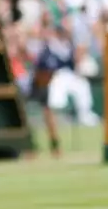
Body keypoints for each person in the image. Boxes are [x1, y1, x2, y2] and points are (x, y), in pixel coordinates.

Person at [27, 23, 74, 157]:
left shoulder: (52, 49)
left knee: (48, 114)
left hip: (42, 84)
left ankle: (54, 145)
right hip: (29, 83)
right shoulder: (40, 48)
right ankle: (31, 147)